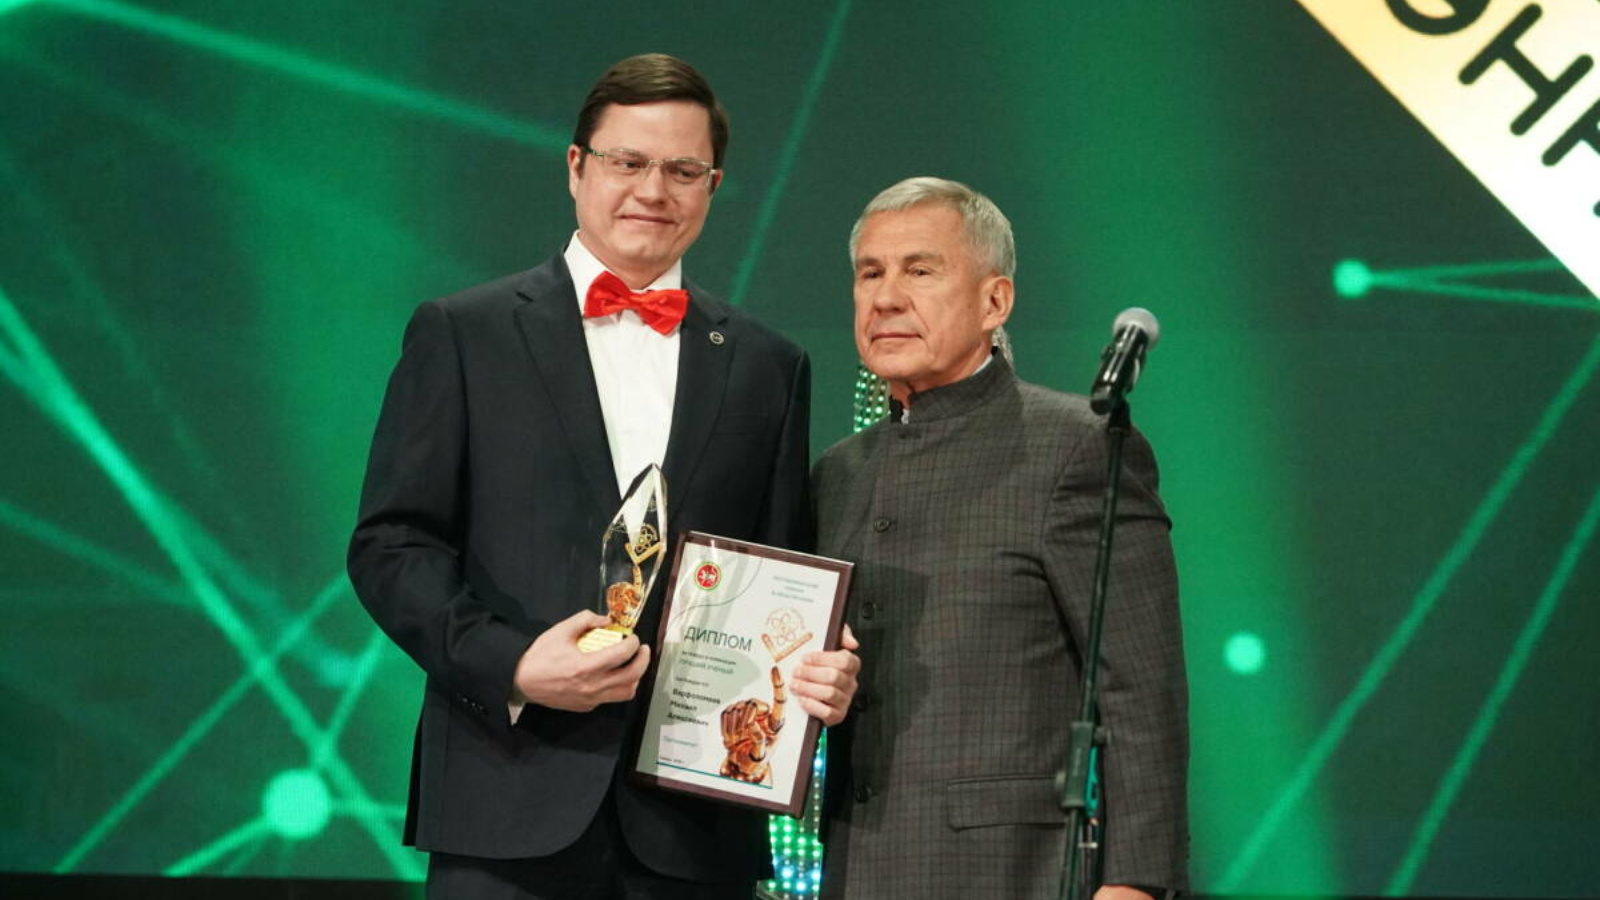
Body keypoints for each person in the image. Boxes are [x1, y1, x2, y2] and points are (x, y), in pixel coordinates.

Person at [348, 53, 859, 900]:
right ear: (577, 168)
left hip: (696, 828)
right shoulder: (465, 334)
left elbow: (779, 571)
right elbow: (392, 546)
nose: (653, 190)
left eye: (682, 170)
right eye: (628, 161)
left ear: (712, 186)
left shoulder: (770, 365)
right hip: (504, 802)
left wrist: (816, 659)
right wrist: (514, 664)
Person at [812, 177, 1188, 900]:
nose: (886, 298)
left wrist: (1135, 884)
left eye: (920, 270)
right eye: (870, 273)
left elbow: (1142, 689)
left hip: (1011, 872)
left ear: (995, 302)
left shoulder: (1076, 447)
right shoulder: (837, 473)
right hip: (856, 869)